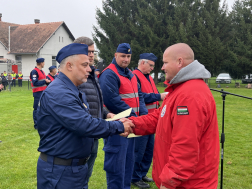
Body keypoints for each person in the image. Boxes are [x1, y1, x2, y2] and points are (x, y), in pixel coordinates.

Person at [36, 43, 134, 189]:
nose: (89, 69)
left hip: (72, 168)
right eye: (84, 65)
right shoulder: (60, 92)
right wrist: (119, 125)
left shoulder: (70, 89)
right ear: (69, 66)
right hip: (60, 171)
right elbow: (85, 125)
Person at [130, 43, 220, 189]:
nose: (162, 67)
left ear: (179, 62)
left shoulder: (189, 95)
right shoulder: (180, 90)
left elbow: (185, 146)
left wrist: (169, 181)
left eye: (165, 62)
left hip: (189, 184)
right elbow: (159, 117)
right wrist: (130, 124)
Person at [99, 43, 148, 189]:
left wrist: (143, 114)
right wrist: (135, 116)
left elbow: (139, 95)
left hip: (130, 125)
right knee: (116, 167)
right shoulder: (109, 73)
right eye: (122, 56)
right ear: (115, 55)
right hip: (117, 127)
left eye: (128, 56)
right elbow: (112, 100)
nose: (126, 59)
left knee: (127, 164)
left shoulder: (130, 73)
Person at [73, 36, 114, 186]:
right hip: (82, 135)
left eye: (93, 51)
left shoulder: (91, 75)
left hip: (94, 134)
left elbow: (95, 102)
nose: (91, 55)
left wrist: (106, 114)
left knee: (86, 177)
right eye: (88, 51)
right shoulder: (76, 77)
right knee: (77, 178)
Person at [131, 53, 167, 188]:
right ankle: (135, 177)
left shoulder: (149, 78)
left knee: (148, 149)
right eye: (151, 65)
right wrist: (159, 96)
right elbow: (140, 96)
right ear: (142, 63)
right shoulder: (135, 76)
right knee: (139, 150)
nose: (152, 68)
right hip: (143, 119)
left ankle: (142, 173)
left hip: (153, 120)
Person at [30, 58, 51, 129]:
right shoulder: (34, 71)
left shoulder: (41, 71)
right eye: (44, 62)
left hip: (43, 92)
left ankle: (42, 123)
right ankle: (36, 125)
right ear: (41, 63)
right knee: (36, 108)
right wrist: (45, 81)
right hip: (37, 92)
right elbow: (35, 82)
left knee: (43, 108)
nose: (44, 64)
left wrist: (47, 82)